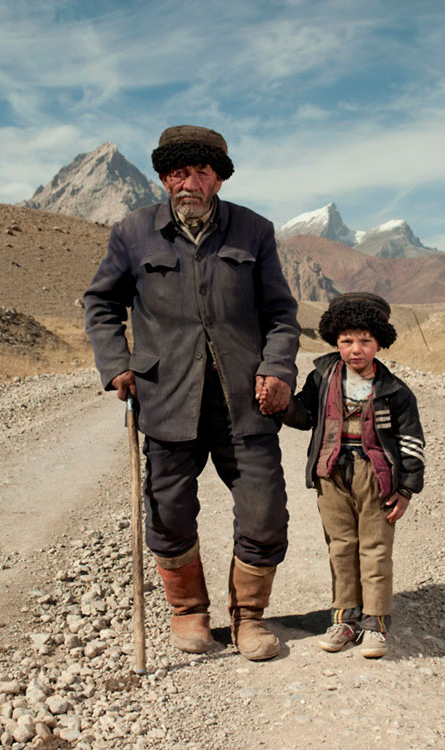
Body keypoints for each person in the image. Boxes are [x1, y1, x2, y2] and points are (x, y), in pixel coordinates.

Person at [83, 125, 299, 661]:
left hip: (243, 402)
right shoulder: (132, 234)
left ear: (219, 179)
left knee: (265, 509)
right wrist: (115, 366)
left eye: (202, 171)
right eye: (179, 172)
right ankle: (188, 612)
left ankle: (248, 617)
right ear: (163, 177)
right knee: (169, 511)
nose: (190, 182)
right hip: (166, 399)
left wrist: (277, 369)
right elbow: (101, 304)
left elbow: (280, 313)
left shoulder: (254, 231)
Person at [282, 293, 424, 658]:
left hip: (376, 476)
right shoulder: (322, 378)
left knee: (375, 548)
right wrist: (281, 403)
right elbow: (303, 417)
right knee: (341, 547)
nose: (355, 350)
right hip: (331, 472)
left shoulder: (395, 391)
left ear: (380, 342)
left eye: (365, 341)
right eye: (346, 341)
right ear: (335, 341)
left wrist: (406, 489)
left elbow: (411, 442)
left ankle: (375, 623)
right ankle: (344, 618)